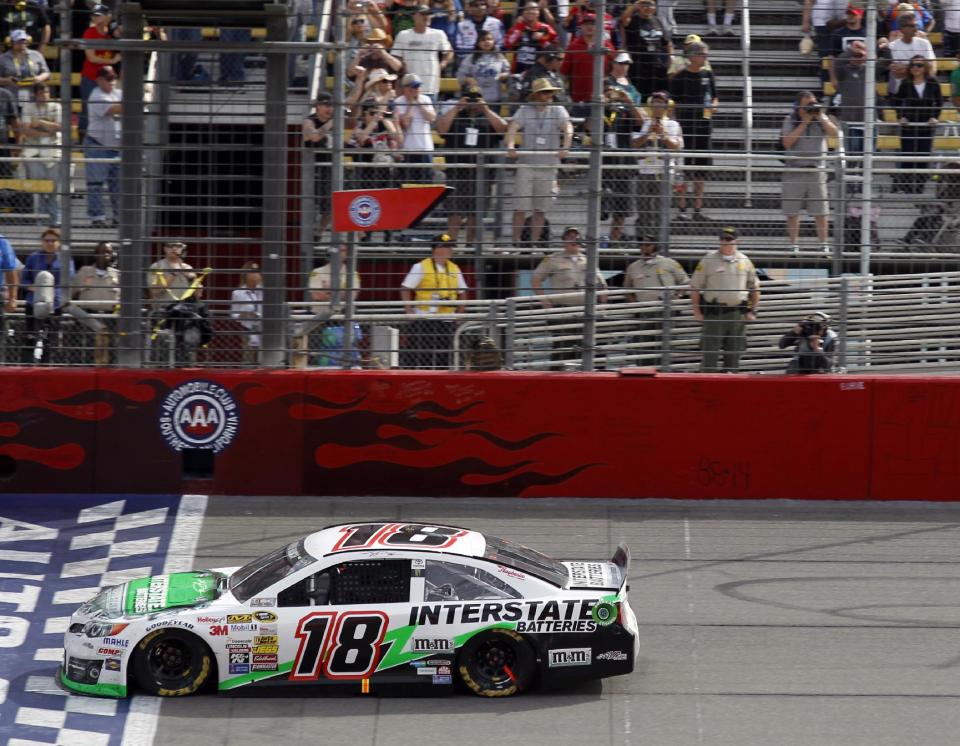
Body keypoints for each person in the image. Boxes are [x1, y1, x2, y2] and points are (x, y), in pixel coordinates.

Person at [436, 84, 508, 244]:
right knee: (455, 213)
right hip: (457, 172)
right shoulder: (456, 115)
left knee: (475, 214)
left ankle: (470, 246)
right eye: (470, 98)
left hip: (482, 173)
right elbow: (441, 129)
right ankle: (451, 246)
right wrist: (457, 107)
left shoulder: (488, 116)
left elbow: (503, 128)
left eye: (476, 98)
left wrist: (486, 109)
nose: (473, 102)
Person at [505, 77, 572, 246]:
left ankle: (534, 243)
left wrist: (566, 146)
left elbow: (567, 127)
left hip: (548, 165)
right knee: (520, 207)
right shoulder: (525, 109)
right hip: (527, 164)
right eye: (544, 92)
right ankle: (516, 242)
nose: (548, 95)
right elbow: (513, 126)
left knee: (540, 209)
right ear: (536, 95)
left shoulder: (558, 110)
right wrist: (511, 145)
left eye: (550, 92)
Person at [531, 226, 608, 367]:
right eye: (570, 236)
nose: (573, 239)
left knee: (586, 348)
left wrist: (602, 305)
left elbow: (601, 284)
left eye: (576, 236)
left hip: (586, 311)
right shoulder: (553, 259)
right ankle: (555, 378)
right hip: (563, 311)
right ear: (564, 240)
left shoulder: (588, 259)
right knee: (563, 348)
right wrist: (545, 301)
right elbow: (536, 279)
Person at [690, 226, 760, 373]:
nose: (725, 242)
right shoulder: (708, 259)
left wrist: (753, 310)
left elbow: (755, 287)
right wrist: (696, 311)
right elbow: (695, 286)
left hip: (736, 315)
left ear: (737, 241)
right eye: (722, 239)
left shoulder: (744, 260)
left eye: (728, 239)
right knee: (710, 357)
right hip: (714, 314)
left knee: (734, 355)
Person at [781, 90, 839, 255]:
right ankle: (793, 246)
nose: (812, 107)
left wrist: (820, 116)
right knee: (792, 212)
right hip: (794, 170)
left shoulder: (821, 118)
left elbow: (835, 133)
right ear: (799, 106)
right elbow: (787, 142)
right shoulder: (790, 119)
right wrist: (804, 123)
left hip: (816, 170)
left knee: (821, 212)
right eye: (808, 104)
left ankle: (823, 245)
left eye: (814, 103)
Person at [400, 233, 468, 369]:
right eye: (447, 247)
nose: (450, 250)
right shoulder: (421, 267)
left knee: (444, 358)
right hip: (425, 320)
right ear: (437, 249)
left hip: (447, 321)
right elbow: (405, 288)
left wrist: (459, 315)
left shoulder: (454, 268)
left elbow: (463, 292)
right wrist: (409, 311)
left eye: (450, 247)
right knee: (422, 357)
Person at [669, 42, 717, 222]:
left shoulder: (708, 74)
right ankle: (682, 208)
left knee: (700, 170)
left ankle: (698, 209)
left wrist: (713, 107)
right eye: (703, 54)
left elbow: (715, 97)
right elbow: (672, 104)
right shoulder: (680, 77)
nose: (706, 58)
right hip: (686, 128)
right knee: (684, 169)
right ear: (692, 56)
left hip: (704, 127)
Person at [623, 233, 688, 366]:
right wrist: (633, 304)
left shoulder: (669, 263)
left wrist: (677, 297)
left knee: (664, 346)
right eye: (642, 245)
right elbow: (627, 289)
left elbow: (686, 283)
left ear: (655, 246)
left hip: (665, 311)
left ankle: (664, 372)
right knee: (643, 346)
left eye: (648, 244)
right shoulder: (633, 267)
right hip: (644, 312)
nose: (644, 247)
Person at [596, 86, 646, 243]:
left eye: (614, 91)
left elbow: (641, 123)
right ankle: (594, 243)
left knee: (622, 211)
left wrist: (628, 101)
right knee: (600, 208)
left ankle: (613, 242)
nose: (612, 95)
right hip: (604, 165)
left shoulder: (624, 110)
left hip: (625, 164)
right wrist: (600, 104)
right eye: (608, 91)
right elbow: (589, 127)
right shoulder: (600, 110)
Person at [20, 227, 74, 364]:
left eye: (53, 240)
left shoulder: (65, 259)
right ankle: (27, 365)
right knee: (30, 336)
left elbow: (69, 278)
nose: (50, 243)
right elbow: (24, 279)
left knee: (50, 339)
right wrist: (31, 287)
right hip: (34, 302)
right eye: (47, 240)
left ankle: (47, 365)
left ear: (59, 243)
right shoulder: (33, 258)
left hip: (55, 303)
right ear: (42, 242)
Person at [633, 90, 683, 238]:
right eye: (654, 103)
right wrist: (647, 132)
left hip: (665, 172)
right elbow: (635, 144)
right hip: (645, 171)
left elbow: (676, 146)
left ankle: (661, 243)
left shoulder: (674, 125)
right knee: (643, 210)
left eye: (660, 103)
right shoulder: (644, 123)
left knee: (661, 210)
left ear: (666, 106)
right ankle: (642, 242)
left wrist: (663, 134)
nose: (657, 106)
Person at [890, 55, 942, 194]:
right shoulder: (905, 83)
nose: (915, 68)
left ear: (925, 67)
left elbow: (939, 103)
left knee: (923, 157)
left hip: (926, 127)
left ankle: (919, 188)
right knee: (907, 157)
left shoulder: (932, 83)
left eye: (919, 65)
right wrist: (901, 117)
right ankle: (907, 188)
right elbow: (895, 101)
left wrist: (934, 117)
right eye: (913, 65)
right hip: (909, 126)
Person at [307, 245, 364, 367]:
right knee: (316, 355)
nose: (342, 253)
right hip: (320, 320)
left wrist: (329, 290)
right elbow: (316, 295)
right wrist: (341, 292)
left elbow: (351, 295)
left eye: (344, 250)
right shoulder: (317, 272)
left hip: (343, 320)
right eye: (339, 250)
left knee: (346, 356)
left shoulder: (352, 274)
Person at [20, 82, 61, 226]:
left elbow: (59, 127)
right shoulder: (28, 107)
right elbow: (26, 130)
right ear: (35, 95)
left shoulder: (56, 106)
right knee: (39, 188)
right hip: (33, 151)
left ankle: (54, 220)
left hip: (53, 150)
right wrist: (47, 128)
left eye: (47, 92)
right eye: (41, 93)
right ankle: (41, 221)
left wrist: (39, 122)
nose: (44, 96)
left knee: (54, 188)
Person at [85, 65, 121, 228]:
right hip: (97, 145)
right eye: (108, 78)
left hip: (117, 147)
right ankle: (97, 217)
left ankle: (119, 217)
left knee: (118, 185)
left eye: (113, 77)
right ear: (99, 80)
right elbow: (116, 108)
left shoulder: (118, 93)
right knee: (96, 183)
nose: (112, 81)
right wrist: (141, 100)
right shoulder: (96, 95)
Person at [392, 4, 454, 100]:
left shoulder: (438, 34)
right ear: (413, 16)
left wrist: (443, 64)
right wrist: (403, 69)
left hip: (431, 86)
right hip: (410, 87)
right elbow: (396, 57)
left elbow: (449, 51)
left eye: (428, 14)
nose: (427, 17)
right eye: (423, 14)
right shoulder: (403, 35)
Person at [71, 240, 118, 365]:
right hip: (88, 317)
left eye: (108, 252)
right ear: (96, 254)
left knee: (109, 354)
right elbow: (71, 294)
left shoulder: (118, 275)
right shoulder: (84, 272)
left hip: (110, 318)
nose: (105, 255)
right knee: (87, 352)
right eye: (102, 252)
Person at [78, 4, 119, 140]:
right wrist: (112, 61)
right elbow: (91, 57)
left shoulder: (113, 32)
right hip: (91, 76)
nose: (95, 18)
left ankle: (105, 139)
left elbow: (122, 48)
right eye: (94, 15)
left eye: (99, 14)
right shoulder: (90, 32)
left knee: (110, 109)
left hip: (108, 79)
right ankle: (83, 140)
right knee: (87, 109)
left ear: (109, 16)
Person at [621, 0, 672, 102]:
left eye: (650, 5)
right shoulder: (633, 20)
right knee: (640, 98)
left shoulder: (657, 21)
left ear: (655, 8)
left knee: (660, 97)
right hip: (638, 68)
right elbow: (623, 20)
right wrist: (633, 7)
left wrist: (671, 57)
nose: (647, 7)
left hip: (657, 67)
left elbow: (667, 42)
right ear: (639, 7)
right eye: (644, 5)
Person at [560, 15, 615, 108]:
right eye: (586, 24)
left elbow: (614, 72)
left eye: (593, 24)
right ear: (581, 26)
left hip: (602, 100)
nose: (589, 27)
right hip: (579, 100)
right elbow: (564, 72)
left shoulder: (607, 46)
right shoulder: (573, 46)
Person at [393, 73, 437, 184]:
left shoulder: (425, 99)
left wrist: (419, 103)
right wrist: (411, 103)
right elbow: (405, 123)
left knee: (426, 184)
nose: (417, 90)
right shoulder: (399, 102)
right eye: (414, 87)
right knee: (409, 184)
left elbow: (431, 118)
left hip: (425, 148)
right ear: (406, 88)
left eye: (418, 87)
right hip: (409, 149)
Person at [302, 93, 335, 239]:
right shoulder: (310, 121)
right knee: (313, 206)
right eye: (327, 105)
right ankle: (310, 233)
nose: (330, 109)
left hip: (330, 169)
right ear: (318, 107)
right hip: (314, 171)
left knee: (330, 207)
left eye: (332, 106)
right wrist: (330, 124)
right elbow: (313, 137)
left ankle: (319, 233)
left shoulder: (335, 121)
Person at [830, 41, 870, 158]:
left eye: (860, 56)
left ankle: (865, 174)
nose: (857, 58)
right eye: (855, 56)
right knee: (853, 152)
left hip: (868, 120)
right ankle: (851, 173)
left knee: (868, 155)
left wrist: (884, 46)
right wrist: (852, 50)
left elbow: (886, 62)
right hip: (851, 120)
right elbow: (838, 63)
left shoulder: (870, 71)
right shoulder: (844, 71)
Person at [884, 12, 935, 96]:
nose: (915, 29)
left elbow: (931, 68)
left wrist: (905, 67)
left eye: (916, 25)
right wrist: (920, 67)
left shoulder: (924, 43)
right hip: (901, 94)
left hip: (923, 92)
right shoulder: (892, 47)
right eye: (911, 26)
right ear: (901, 29)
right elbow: (897, 73)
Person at [456, 29, 511, 103]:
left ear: (493, 42)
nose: (487, 42)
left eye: (489, 39)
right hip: (475, 99)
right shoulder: (470, 58)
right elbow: (460, 75)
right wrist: (468, 79)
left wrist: (505, 75)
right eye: (483, 40)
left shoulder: (500, 57)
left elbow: (508, 72)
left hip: (495, 99)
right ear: (478, 43)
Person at [504, 2, 557, 74]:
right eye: (527, 9)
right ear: (522, 13)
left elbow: (556, 45)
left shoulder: (545, 28)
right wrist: (519, 29)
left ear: (538, 13)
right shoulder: (517, 28)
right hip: (519, 72)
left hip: (539, 73)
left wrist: (543, 38)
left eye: (534, 9)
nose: (530, 11)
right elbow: (508, 44)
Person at [0, 28, 50, 105]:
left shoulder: (36, 55)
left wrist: (39, 78)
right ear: (11, 42)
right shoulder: (3, 58)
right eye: (19, 41)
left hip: (33, 98)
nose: (22, 43)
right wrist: (7, 80)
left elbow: (46, 73)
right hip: (11, 99)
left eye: (24, 40)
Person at [228, 261, 262, 365]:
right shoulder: (238, 293)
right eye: (254, 271)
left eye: (258, 271)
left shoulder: (265, 291)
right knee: (248, 359)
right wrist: (242, 315)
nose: (257, 274)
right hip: (248, 329)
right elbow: (233, 314)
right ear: (246, 275)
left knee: (263, 358)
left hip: (265, 328)